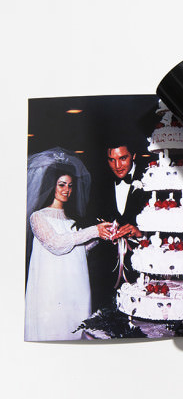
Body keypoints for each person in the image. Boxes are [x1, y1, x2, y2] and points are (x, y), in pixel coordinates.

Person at [24, 160, 112, 341]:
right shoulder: (38, 217)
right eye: (62, 184)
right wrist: (93, 231)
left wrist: (101, 236)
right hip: (52, 286)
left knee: (76, 327)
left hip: (75, 283)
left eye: (70, 186)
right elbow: (56, 244)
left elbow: (77, 251)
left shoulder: (72, 220)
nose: (67, 190)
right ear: (51, 186)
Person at [87, 140, 147, 311]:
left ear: (133, 156)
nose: (117, 166)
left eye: (123, 158)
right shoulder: (100, 183)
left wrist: (141, 233)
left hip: (141, 267)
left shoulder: (150, 179)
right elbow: (90, 218)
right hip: (105, 269)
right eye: (111, 160)